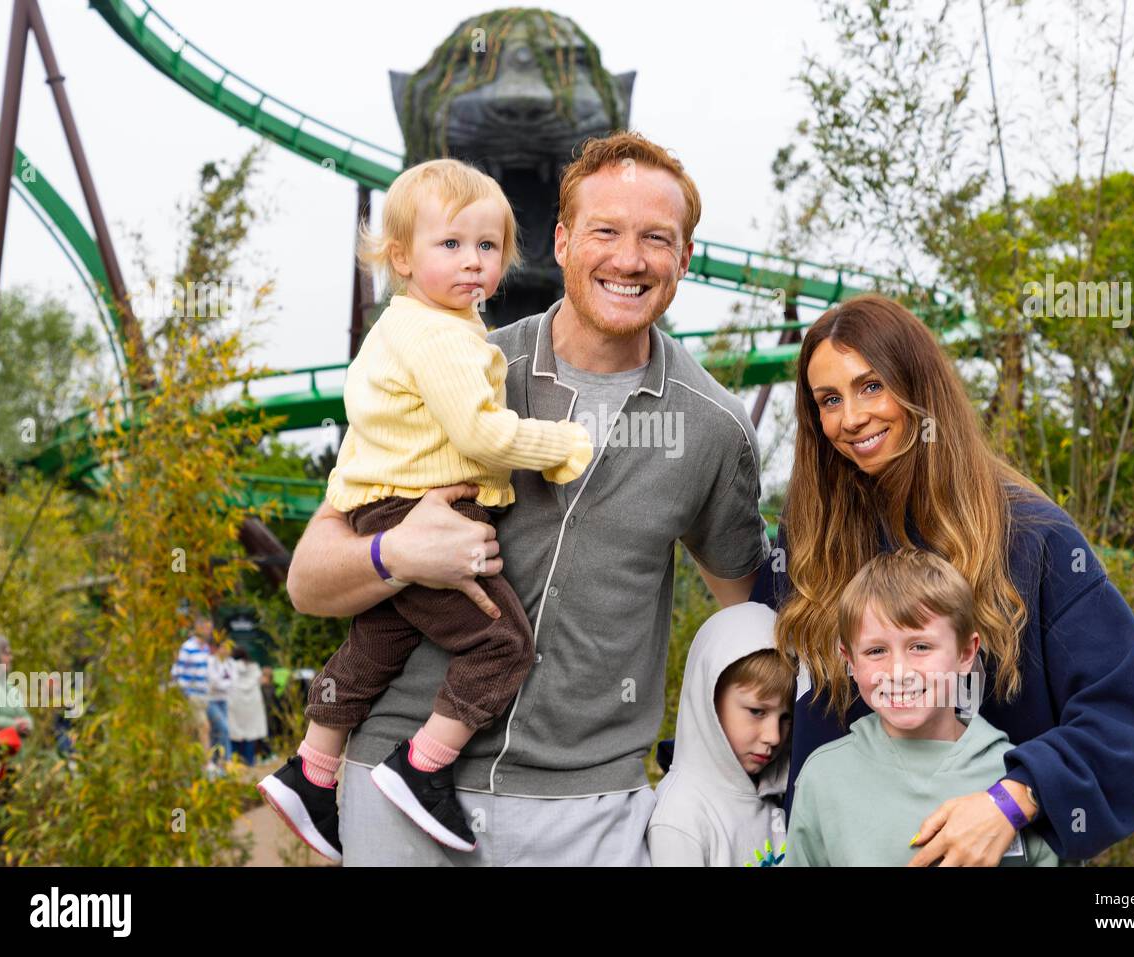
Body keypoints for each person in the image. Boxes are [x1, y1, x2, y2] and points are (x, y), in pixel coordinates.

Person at [284, 131, 769, 866]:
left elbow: (752, 621)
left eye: (656, 239)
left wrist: (723, 782)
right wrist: (397, 551)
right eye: (605, 231)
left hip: (587, 810)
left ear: (685, 258)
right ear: (564, 240)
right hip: (392, 785)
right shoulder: (460, 364)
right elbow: (308, 579)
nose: (629, 259)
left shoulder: (714, 428)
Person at [751, 294, 1134, 864]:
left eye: (871, 386)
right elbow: (758, 678)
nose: (851, 417)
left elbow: (1124, 721)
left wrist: (1012, 800)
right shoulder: (811, 540)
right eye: (829, 399)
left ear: (918, 385)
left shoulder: (1034, 539)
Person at [259, 157, 593, 862]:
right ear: (401, 256)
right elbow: (481, 433)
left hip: (382, 506)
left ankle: (312, 769)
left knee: (378, 642)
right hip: (424, 515)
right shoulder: (440, 335)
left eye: (488, 246)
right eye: (451, 245)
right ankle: (425, 764)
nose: (473, 262)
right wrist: (559, 444)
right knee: (501, 644)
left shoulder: (409, 322)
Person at [783, 549, 1057, 866]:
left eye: (920, 647)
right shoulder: (823, 777)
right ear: (850, 661)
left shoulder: (1014, 778)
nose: (899, 672)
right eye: (875, 651)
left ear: (966, 653)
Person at [647, 602, 794, 867]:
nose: (774, 736)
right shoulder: (681, 816)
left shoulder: (776, 792)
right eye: (757, 712)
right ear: (709, 700)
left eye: (785, 718)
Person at [0, 633, 33, 855]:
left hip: (10, 760)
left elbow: (24, 715)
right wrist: (12, 724)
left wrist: (26, 724)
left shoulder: (9, 686)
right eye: (6, 652)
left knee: (5, 812)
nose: (10, 657)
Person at [170, 615, 213, 754]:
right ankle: (207, 764)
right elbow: (177, 671)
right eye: (206, 628)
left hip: (203, 695)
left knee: (187, 731)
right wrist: (185, 693)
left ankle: (188, 761)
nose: (209, 631)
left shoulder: (205, 648)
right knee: (204, 727)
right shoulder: (188, 647)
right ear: (198, 628)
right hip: (191, 694)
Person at [228, 647, 269, 766]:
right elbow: (262, 681)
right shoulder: (254, 668)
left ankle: (235, 762)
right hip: (253, 707)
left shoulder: (230, 666)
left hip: (235, 705)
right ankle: (249, 761)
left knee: (234, 732)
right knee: (251, 733)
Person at [206, 639, 234, 771]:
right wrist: (225, 683)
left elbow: (234, 681)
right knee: (224, 728)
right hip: (211, 700)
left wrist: (223, 684)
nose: (225, 650)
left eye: (228, 647)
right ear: (217, 648)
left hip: (224, 700)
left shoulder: (230, 663)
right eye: (223, 647)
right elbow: (214, 682)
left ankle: (214, 761)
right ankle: (227, 760)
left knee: (217, 731)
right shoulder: (211, 661)